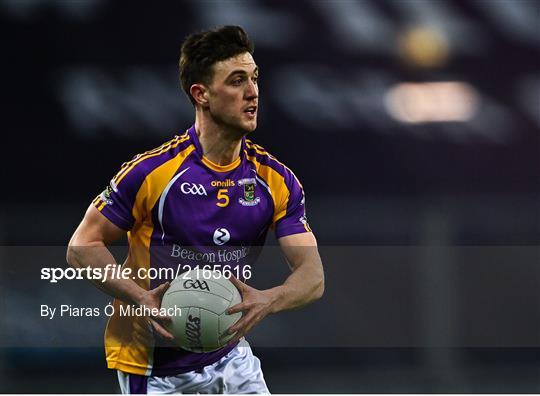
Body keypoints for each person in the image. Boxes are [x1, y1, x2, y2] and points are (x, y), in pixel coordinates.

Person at [66, 25, 324, 394]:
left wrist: (270, 299)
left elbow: (312, 276)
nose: (252, 92)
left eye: (254, 79)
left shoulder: (275, 179)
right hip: (153, 367)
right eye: (236, 81)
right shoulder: (152, 172)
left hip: (230, 354)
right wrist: (140, 298)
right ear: (201, 94)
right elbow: (81, 247)